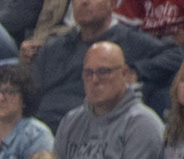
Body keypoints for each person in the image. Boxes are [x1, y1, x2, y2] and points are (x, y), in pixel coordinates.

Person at [53, 41, 166, 159]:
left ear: (124, 73)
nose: (95, 80)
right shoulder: (70, 121)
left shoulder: (142, 123)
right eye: (89, 73)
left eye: (104, 72)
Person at [30, 0, 176, 132]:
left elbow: (177, 56)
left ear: (112, 4)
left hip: (91, 131)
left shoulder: (131, 41)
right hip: (41, 129)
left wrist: (137, 71)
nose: (84, 2)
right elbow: (29, 92)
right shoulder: (53, 48)